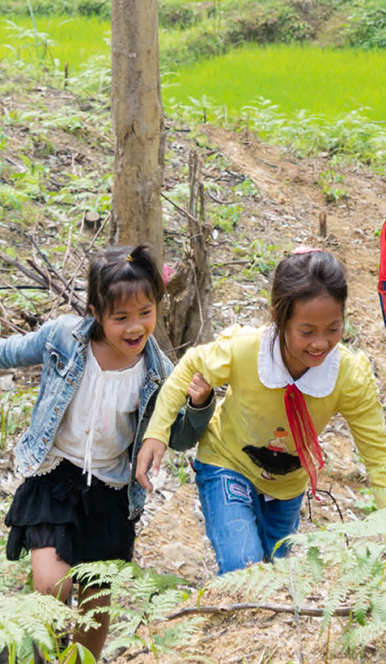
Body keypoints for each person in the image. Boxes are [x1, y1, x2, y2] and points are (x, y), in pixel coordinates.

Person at [0, 245, 214, 660]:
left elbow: (181, 435)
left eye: (146, 313)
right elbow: (11, 352)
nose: (135, 327)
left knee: (97, 606)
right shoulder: (63, 336)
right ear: (96, 312)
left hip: (111, 492)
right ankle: (34, 651)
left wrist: (201, 404)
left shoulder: (159, 373)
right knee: (51, 587)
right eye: (121, 318)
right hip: (55, 477)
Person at [137, 248, 386, 575]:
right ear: (278, 316)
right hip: (227, 462)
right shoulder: (245, 350)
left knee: (275, 576)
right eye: (307, 332)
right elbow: (190, 366)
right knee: (243, 568)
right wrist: (157, 432)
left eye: (333, 329)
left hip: (288, 484)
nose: (320, 343)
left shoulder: (347, 377)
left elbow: (378, 455)